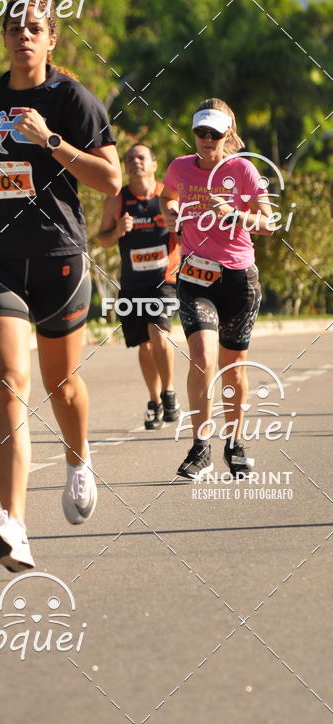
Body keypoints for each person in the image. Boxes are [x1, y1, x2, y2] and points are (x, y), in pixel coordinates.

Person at [0, 0, 121, 572]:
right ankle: (13, 524)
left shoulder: (74, 99)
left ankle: (77, 459)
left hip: (59, 259)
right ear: (2, 38)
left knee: (61, 385)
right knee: (8, 385)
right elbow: (0, 153)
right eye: (14, 27)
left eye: (36, 27)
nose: (24, 34)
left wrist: (51, 140)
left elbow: (109, 179)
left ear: (52, 40)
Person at [160, 98, 273, 480]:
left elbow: (269, 222)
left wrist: (238, 215)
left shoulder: (242, 169)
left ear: (228, 135)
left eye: (214, 133)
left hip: (239, 280)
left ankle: (235, 443)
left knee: (232, 368)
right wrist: (171, 211)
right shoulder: (179, 167)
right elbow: (167, 195)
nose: (206, 139)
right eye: (200, 132)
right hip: (195, 278)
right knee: (202, 357)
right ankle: (200, 446)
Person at [98, 141, 180, 430]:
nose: (135, 161)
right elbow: (101, 239)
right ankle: (154, 401)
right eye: (130, 158)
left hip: (164, 281)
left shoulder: (167, 197)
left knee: (159, 336)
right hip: (132, 284)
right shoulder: (117, 200)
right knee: (144, 347)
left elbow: (186, 237)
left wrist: (178, 230)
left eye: (141, 157)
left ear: (154, 164)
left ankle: (169, 393)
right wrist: (118, 230)